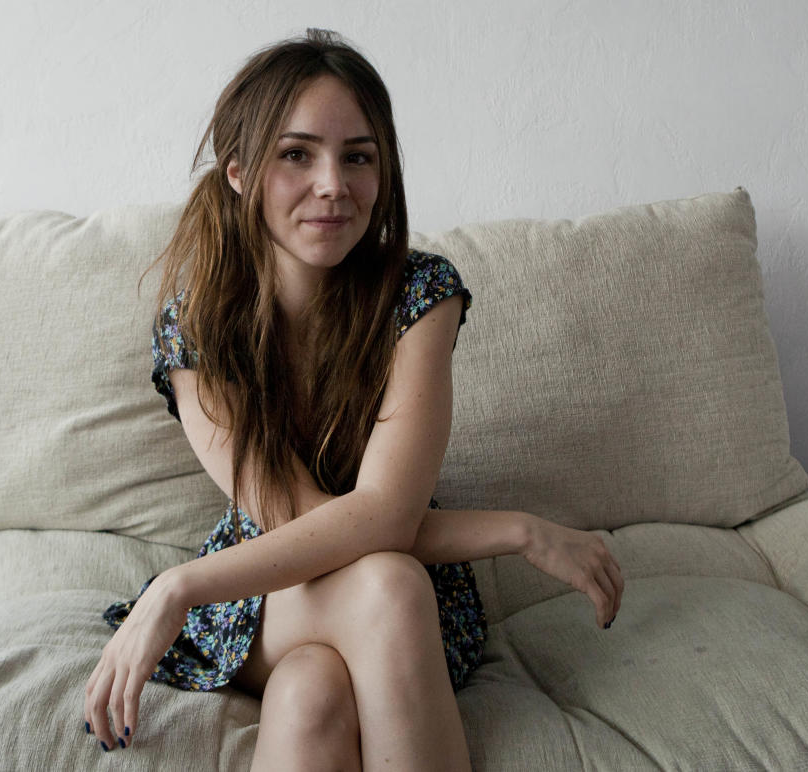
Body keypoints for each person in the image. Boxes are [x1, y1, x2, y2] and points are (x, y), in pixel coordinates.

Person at [82, 28, 624, 770]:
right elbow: (300, 522)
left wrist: (179, 586)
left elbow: (385, 515)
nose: (333, 184)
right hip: (268, 589)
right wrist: (519, 531)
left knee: (312, 690)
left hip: (389, 586)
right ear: (240, 172)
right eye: (296, 154)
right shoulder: (199, 326)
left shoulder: (419, 293)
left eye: (358, 156)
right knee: (388, 586)